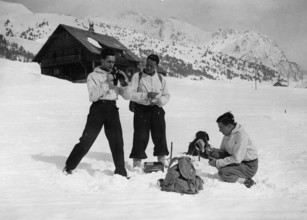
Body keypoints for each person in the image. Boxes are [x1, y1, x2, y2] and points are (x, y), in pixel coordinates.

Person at [63, 48, 131, 177]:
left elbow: (127, 97)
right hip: (98, 109)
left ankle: (121, 172)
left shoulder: (117, 73)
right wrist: (107, 82)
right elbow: (93, 96)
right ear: (102, 61)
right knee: (87, 140)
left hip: (112, 109)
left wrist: (124, 83)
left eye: (113, 62)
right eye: (109, 61)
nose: (112, 64)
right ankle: (69, 166)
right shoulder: (93, 76)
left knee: (117, 141)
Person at [129, 54, 170, 170]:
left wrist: (158, 101)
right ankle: (137, 163)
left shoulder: (161, 79)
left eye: (151, 66)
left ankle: (161, 160)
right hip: (141, 110)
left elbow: (166, 95)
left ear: (156, 66)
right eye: (147, 64)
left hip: (157, 110)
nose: (148, 67)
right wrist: (145, 96)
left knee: (160, 135)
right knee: (140, 136)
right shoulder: (138, 76)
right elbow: (131, 94)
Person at [196, 112, 258, 188]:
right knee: (214, 154)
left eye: (221, 127)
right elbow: (223, 151)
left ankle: (246, 181)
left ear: (229, 126)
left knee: (223, 173)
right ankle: (230, 169)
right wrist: (210, 151)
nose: (219, 130)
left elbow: (237, 159)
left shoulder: (241, 136)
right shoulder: (228, 134)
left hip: (248, 166)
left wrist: (217, 163)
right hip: (236, 161)